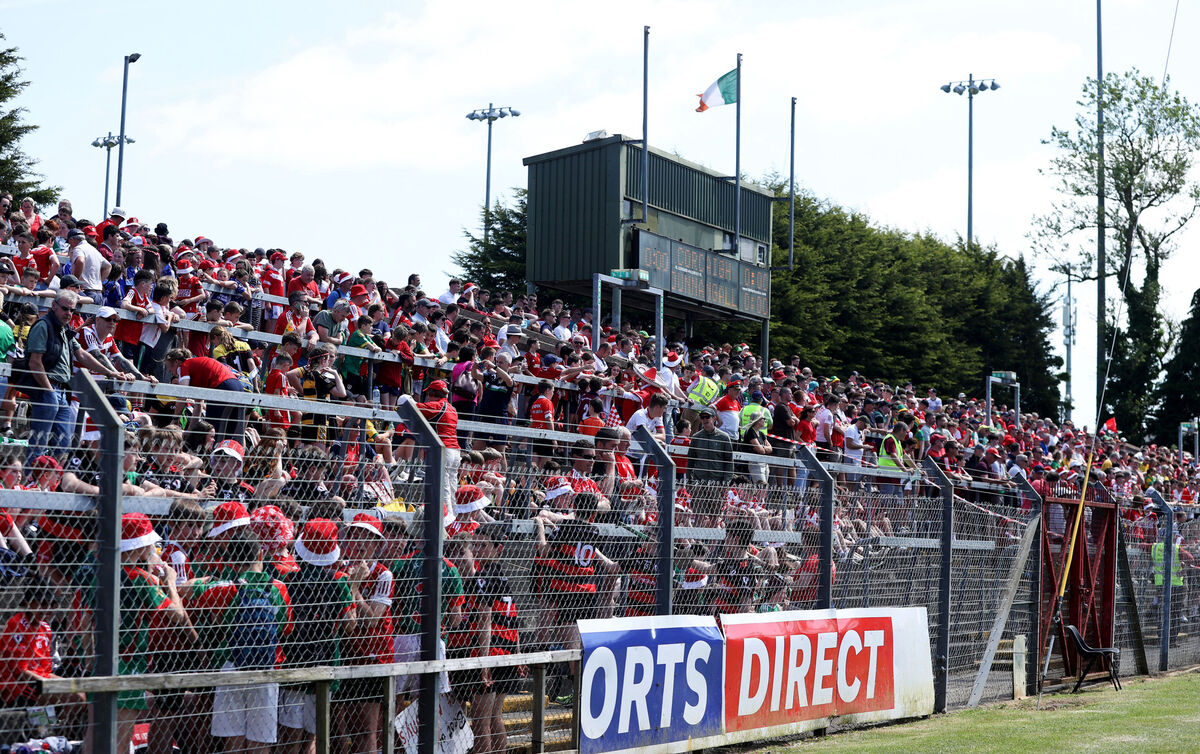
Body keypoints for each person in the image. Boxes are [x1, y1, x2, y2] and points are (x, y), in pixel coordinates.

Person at [189, 526, 293, 754]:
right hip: (267, 667)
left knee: (233, 740)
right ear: (260, 555)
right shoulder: (279, 588)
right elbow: (286, 628)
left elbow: (199, 603)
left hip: (232, 664)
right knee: (260, 739)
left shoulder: (226, 589)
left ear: (231, 561)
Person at [280, 519, 357, 753]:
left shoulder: (289, 578)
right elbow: (350, 625)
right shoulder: (339, 580)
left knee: (290, 738)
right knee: (313, 737)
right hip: (325, 662)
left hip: (293, 660)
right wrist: (353, 587)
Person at [22, 290, 125, 460]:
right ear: (53, 306)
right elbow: (35, 362)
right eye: (65, 309)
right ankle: (31, 481)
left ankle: (53, 483)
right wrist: (49, 390)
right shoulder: (43, 325)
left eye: (72, 310)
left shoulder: (65, 329)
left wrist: (111, 373)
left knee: (63, 445)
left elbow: (82, 355)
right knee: (39, 442)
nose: (69, 313)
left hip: (62, 391)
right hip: (47, 389)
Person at [165, 348, 251, 443]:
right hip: (237, 386)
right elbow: (198, 405)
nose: (170, 371)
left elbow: (183, 394)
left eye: (170, 368)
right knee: (226, 435)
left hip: (222, 388)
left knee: (212, 431)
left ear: (177, 362)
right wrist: (189, 432)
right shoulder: (197, 367)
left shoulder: (184, 366)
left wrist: (175, 418)